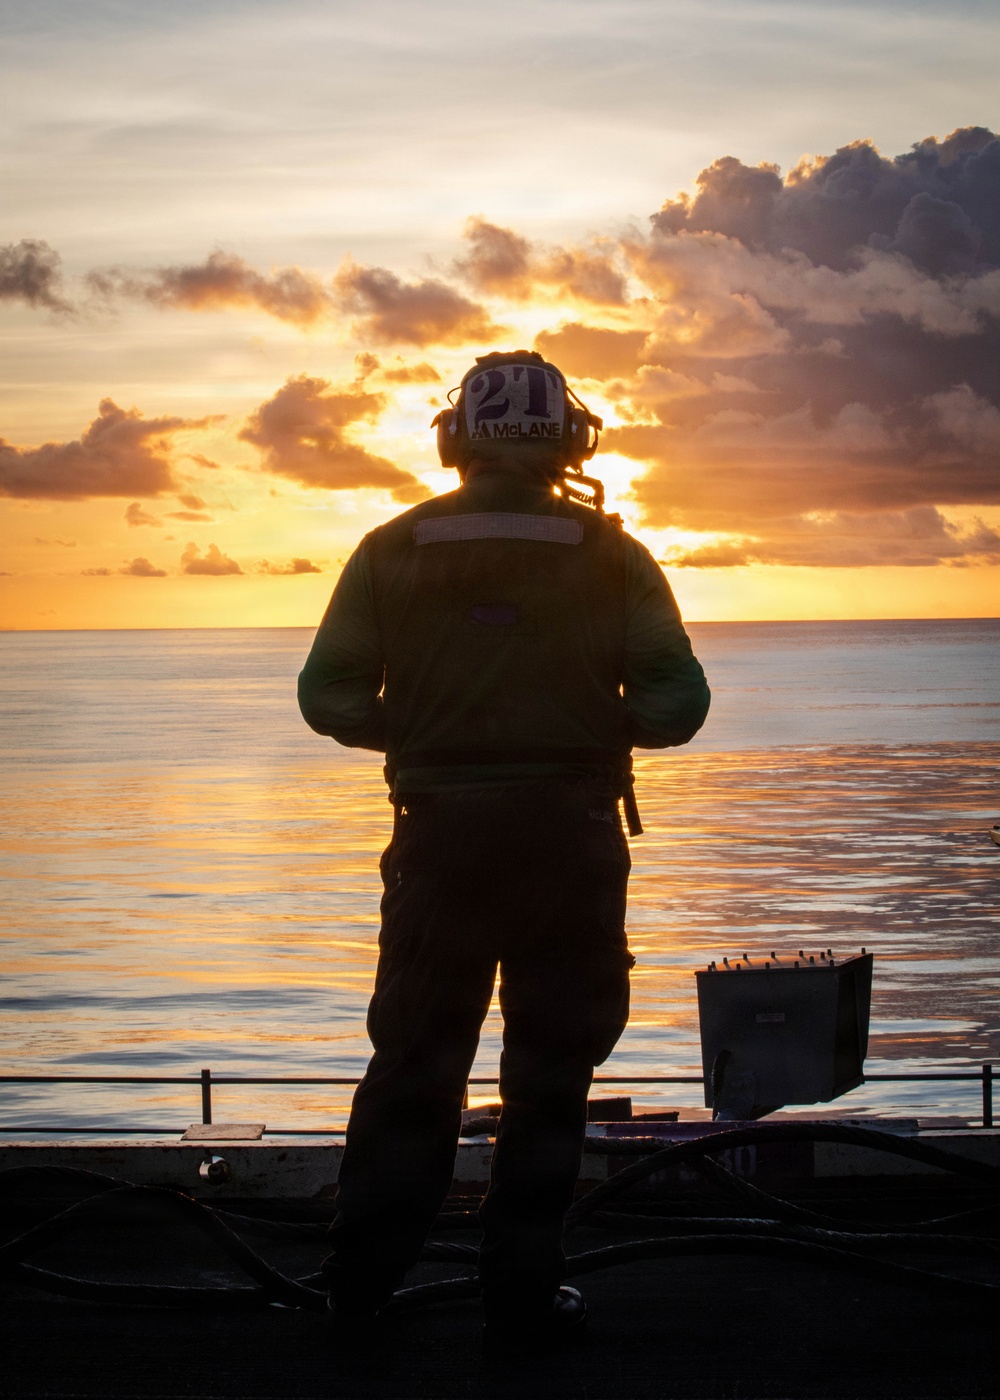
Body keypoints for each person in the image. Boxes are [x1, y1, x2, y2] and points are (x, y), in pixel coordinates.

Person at [298, 349, 710, 1342]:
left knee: (414, 1065)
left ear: (455, 439)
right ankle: (519, 1292)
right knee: (549, 1073)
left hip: (439, 843)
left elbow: (329, 697)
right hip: (569, 844)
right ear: (570, 440)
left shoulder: (389, 548)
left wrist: (430, 732)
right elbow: (675, 704)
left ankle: (360, 1293)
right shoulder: (613, 553)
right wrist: (581, 723)